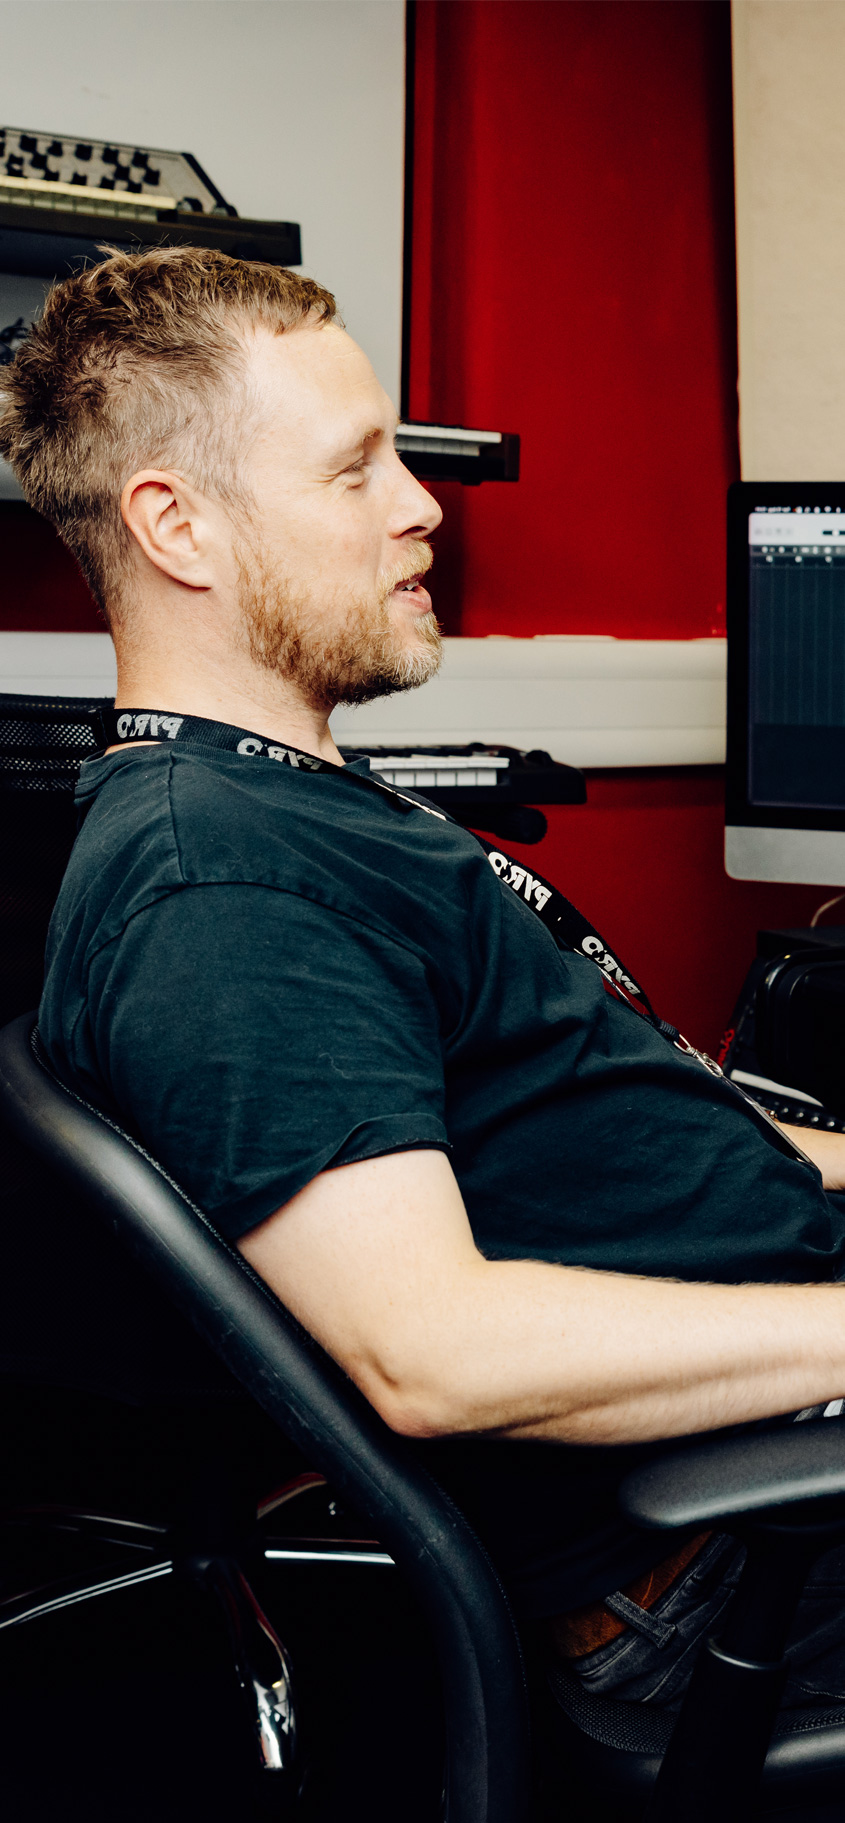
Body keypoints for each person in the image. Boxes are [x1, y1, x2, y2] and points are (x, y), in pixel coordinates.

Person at [4, 243, 845, 1713]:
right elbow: (429, 1349)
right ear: (176, 524)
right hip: (739, 1550)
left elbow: (593, 1116)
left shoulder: (299, 806)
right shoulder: (225, 887)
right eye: (353, 472)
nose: (420, 506)